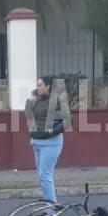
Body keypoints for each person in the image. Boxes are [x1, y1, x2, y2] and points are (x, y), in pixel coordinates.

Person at [25, 76, 72, 204]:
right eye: (37, 85)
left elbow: (67, 122)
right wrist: (29, 101)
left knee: (45, 175)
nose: (37, 88)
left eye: (40, 85)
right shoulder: (36, 99)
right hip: (37, 142)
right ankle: (48, 205)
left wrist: (52, 131)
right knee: (42, 177)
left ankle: (51, 210)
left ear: (48, 86)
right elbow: (29, 115)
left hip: (51, 143)